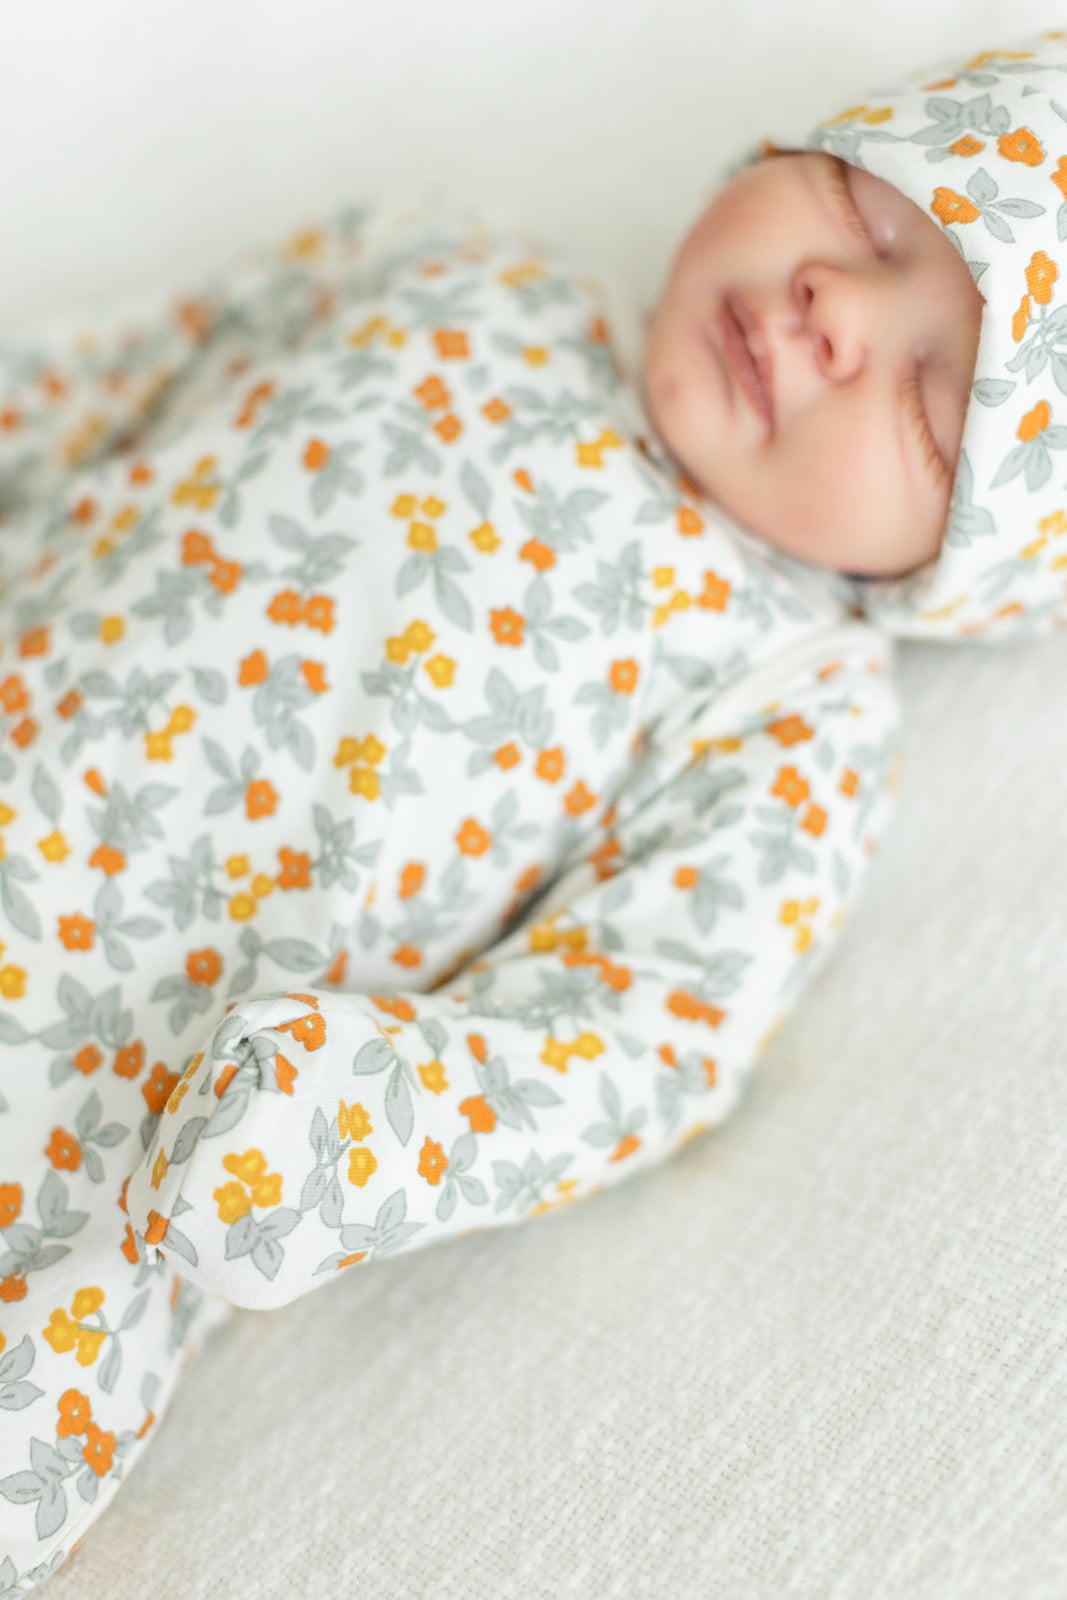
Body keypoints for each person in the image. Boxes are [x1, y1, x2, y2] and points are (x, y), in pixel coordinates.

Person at [2, 29, 1065, 1591]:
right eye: (866, 206)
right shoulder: (457, 261)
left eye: (931, 396)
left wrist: (361, 1130)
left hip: (111, 1107)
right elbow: (130, 370)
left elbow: (630, 1036)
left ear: (973, 569)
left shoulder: (792, 716)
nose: (838, 309)